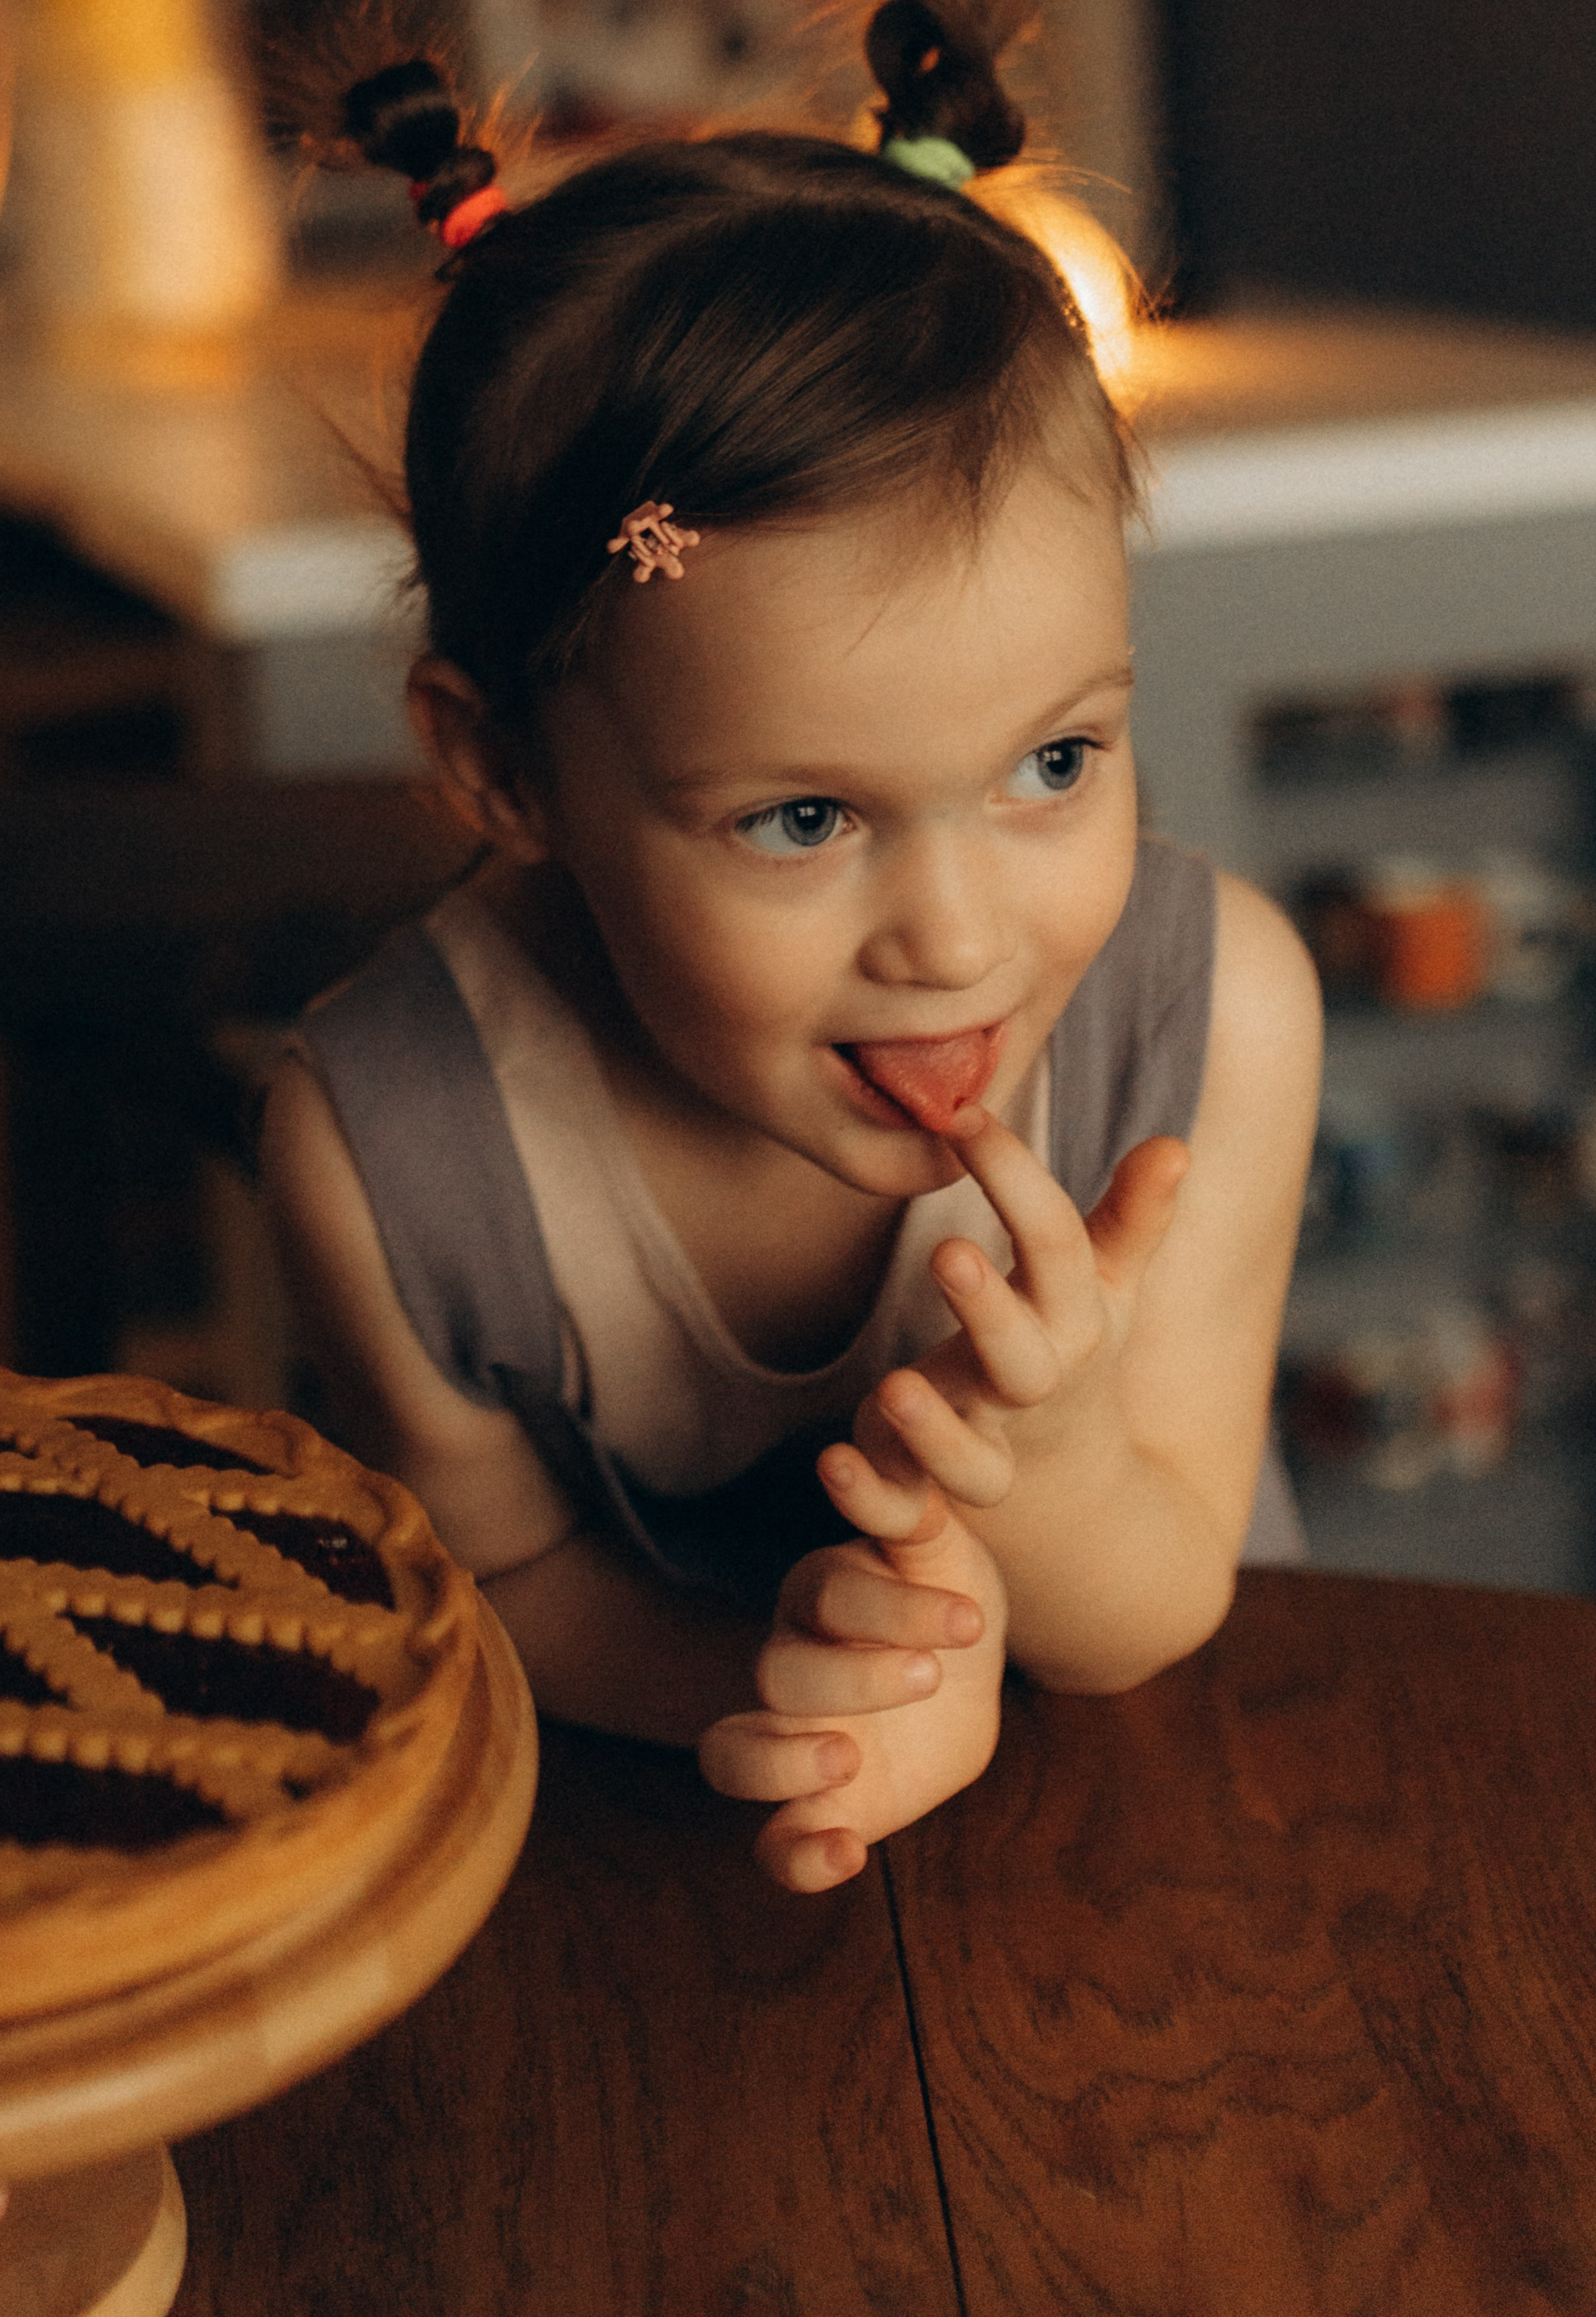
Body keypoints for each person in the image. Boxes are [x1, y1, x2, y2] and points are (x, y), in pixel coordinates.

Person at [261, 5, 1322, 1895]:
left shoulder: (1212, 1020)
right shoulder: (390, 1150)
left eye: (1054, 762)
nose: (962, 938)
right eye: (804, 820)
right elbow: (499, 1584)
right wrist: (794, 1688)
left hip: (1176, 1835)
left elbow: (1149, 1608)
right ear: (500, 767)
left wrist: (1055, 1467)